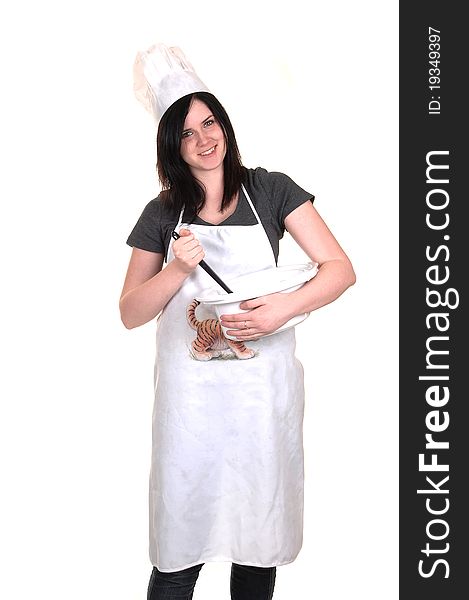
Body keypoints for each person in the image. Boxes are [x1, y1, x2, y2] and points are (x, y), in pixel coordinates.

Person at [120, 43, 356, 600]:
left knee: (256, 546)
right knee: (179, 552)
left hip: (258, 402)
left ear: (224, 124)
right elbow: (131, 311)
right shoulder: (161, 213)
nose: (205, 140)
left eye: (210, 123)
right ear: (171, 146)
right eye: (187, 132)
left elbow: (339, 269)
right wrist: (177, 269)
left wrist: (283, 308)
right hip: (191, 413)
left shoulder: (272, 190)